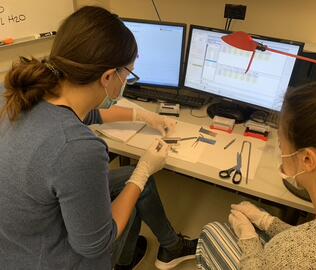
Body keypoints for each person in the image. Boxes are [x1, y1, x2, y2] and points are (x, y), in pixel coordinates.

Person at [0, 6, 197, 270]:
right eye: (128, 74)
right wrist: (144, 170)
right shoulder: (77, 148)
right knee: (137, 181)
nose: (127, 80)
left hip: (14, 242)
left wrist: (143, 116)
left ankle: (163, 249)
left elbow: (87, 114)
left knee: (133, 182)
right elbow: (96, 244)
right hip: (47, 260)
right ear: (107, 77)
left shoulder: (14, 92)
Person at [196, 79, 316, 269]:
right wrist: (267, 222)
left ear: (307, 160)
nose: (281, 154)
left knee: (212, 232)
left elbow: (305, 251)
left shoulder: (289, 252)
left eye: (281, 146)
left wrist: (249, 241)